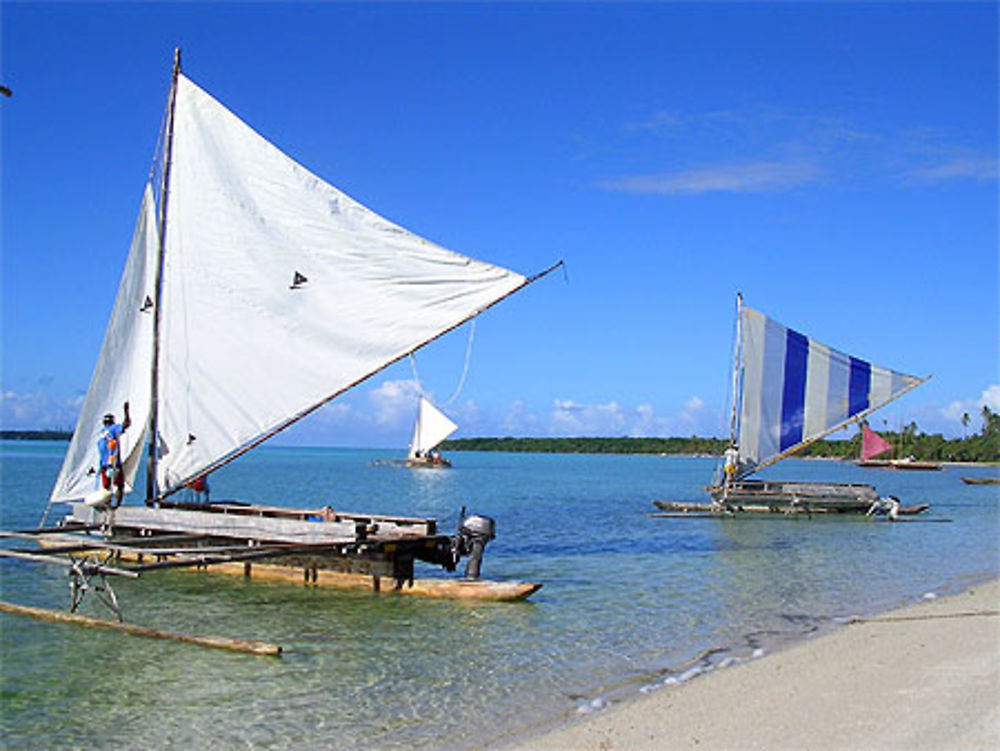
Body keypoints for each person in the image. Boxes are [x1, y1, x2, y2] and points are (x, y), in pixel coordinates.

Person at [98, 401, 131, 508]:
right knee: (119, 485)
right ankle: (116, 506)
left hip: (104, 463)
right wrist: (126, 412)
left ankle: (106, 504)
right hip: (113, 463)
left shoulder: (101, 432)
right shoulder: (113, 429)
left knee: (106, 486)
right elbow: (126, 425)